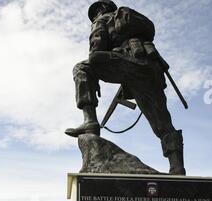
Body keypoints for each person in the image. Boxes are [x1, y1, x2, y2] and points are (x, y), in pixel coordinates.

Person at [65, 0, 186, 175]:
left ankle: (90, 122)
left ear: (100, 9)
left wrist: (95, 75)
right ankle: (177, 167)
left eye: (94, 13)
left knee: (81, 68)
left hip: (126, 61)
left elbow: (95, 51)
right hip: (149, 67)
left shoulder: (102, 19)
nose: (94, 17)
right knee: (163, 124)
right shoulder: (133, 26)